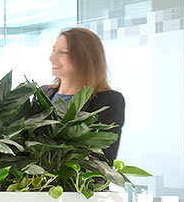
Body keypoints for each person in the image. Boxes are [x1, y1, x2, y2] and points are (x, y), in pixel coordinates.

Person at [44, 27, 125, 164]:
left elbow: (101, 159)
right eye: (54, 51)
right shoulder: (43, 94)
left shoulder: (108, 101)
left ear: (85, 58)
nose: (52, 58)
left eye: (63, 53)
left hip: (77, 185)